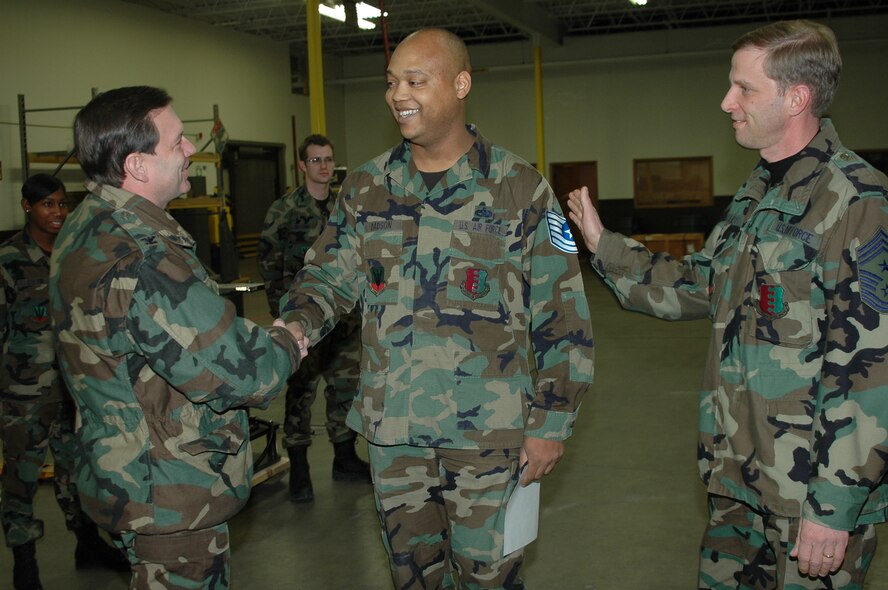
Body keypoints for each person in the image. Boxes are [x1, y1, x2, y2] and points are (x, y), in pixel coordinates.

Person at [567, 19, 888, 589]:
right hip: (737, 480)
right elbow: (701, 284)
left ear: (797, 97)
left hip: (806, 498)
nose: (726, 102)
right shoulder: (760, 192)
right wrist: (603, 246)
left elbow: (870, 371)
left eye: (744, 88)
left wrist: (833, 509)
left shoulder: (856, 201)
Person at [279, 28, 595, 589]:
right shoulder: (367, 188)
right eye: (392, 81)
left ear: (461, 84)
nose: (397, 93)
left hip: (489, 438)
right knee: (413, 578)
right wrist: (292, 327)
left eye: (415, 80)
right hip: (393, 436)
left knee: (489, 578)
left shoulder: (520, 188)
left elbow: (563, 316)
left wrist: (551, 421)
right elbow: (326, 277)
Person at [49, 86, 306, 590]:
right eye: (177, 141)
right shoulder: (143, 256)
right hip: (168, 491)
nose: (191, 150)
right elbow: (246, 373)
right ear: (137, 165)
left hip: (124, 470)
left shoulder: (88, 224)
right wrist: (285, 340)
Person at [1, 174, 129, 590]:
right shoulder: (9, 260)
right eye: (46, 205)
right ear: (27, 207)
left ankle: (88, 543)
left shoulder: (74, 255)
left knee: (79, 469)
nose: (56, 213)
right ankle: (25, 561)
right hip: (25, 394)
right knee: (21, 477)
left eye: (61, 204)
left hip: (76, 386)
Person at [258, 134, 370, 502]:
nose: (324, 166)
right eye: (316, 160)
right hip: (303, 319)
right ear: (303, 165)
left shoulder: (344, 207)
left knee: (345, 388)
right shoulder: (285, 211)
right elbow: (270, 264)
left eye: (328, 160)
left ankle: (344, 456)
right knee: (301, 394)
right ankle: (300, 467)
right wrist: (284, 313)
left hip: (344, 322)